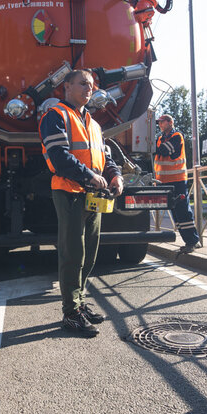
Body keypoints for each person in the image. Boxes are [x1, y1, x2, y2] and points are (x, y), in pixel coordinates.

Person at [39, 69, 124, 337]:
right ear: (66, 87)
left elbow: (106, 158)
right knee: (73, 253)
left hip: (93, 195)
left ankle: (79, 302)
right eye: (83, 83)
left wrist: (115, 176)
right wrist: (90, 176)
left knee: (89, 253)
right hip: (70, 192)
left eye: (92, 85)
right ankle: (71, 313)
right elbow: (58, 156)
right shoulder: (55, 116)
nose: (90, 88)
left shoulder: (94, 123)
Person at [154, 114, 200, 254]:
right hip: (163, 181)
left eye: (162, 122)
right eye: (159, 123)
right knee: (175, 213)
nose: (160, 124)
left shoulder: (177, 136)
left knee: (183, 211)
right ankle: (189, 241)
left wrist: (150, 146)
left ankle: (192, 241)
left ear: (170, 122)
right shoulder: (160, 138)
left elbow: (166, 151)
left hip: (177, 180)